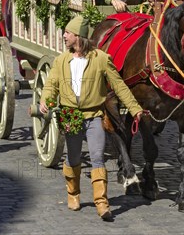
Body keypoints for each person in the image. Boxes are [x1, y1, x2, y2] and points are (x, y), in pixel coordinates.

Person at [39, 16, 143, 220]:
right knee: (74, 157)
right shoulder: (61, 61)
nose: (64, 36)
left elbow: (119, 85)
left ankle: (102, 203)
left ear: (78, 36)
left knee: (97, 157)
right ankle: (73, 194)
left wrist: (134, 108)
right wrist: (45, 99)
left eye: (67, 33)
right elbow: (51, 85)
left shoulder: (101, 59)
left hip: (94, 115)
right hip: (71, 116)